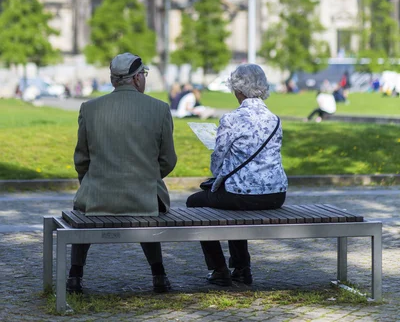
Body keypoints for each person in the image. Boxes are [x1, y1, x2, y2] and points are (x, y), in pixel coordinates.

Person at [67, 52, 177, 295]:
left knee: (81, 210)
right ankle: (159, 275)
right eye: (144, 75)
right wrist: (146, 177)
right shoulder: (159, 109)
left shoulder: (90, 108)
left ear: (114, 79)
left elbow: (81, 159)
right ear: (137, 78)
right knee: (147, 213)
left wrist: (92, 183)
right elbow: (168, 160)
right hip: (146, 198)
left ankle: (75, 276)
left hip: (97, 198)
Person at [186, 64, 287, 287]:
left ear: (238, 90)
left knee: (195, 202)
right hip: (276, 194)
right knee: (233, 200)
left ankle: (219, 269)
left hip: (242, 196)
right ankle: (241, 269)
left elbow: (217, 164)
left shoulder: (231, 119)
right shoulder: (275, 120)